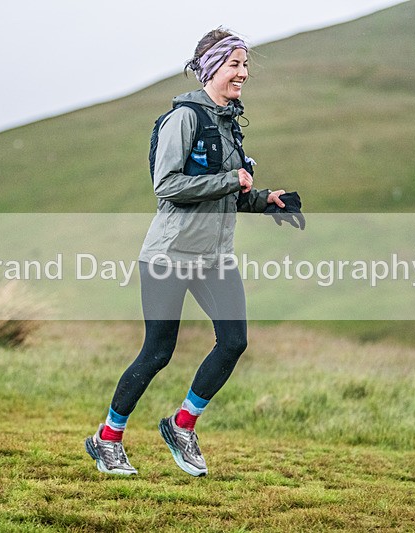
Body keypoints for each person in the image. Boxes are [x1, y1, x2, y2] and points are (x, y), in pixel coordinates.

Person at [85, 28, 288, 477]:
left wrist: (266, 198)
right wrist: (229, 181)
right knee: (158, 352)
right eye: (235, 64)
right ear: (211, 67)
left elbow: (229, 194)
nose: (244, 73)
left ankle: (183, 426)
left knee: (234, 342)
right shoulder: (185, 119)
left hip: (214, 255)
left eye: (246, 65)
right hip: (170, 254)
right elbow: (168, 186)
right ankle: (108, 439)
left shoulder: (229, 122)